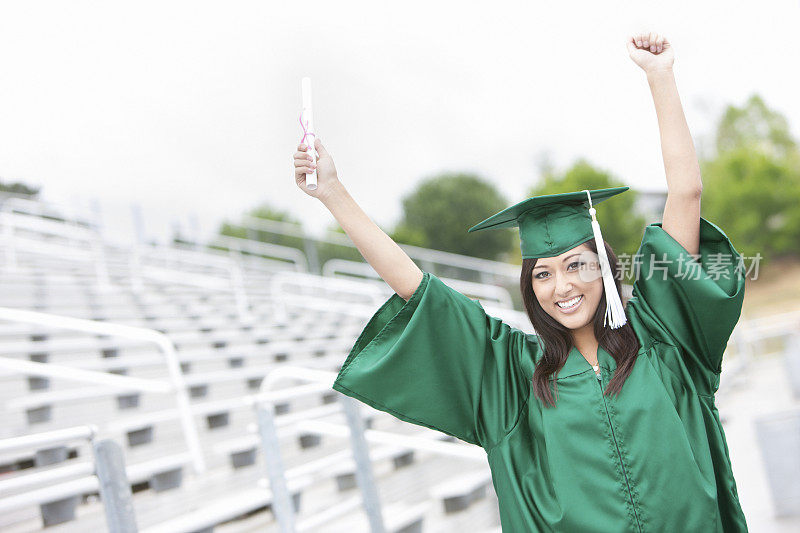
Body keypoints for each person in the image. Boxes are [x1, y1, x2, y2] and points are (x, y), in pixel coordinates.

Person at [291, 31, 748, 532]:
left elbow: (686, 193)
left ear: (604, 267)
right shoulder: (513, 380)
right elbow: (419, 292)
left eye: (577, 265)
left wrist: (660, 77)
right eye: (543, 274)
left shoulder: (667, 339)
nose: (562, 286)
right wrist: (332, 192)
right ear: (530, 289)